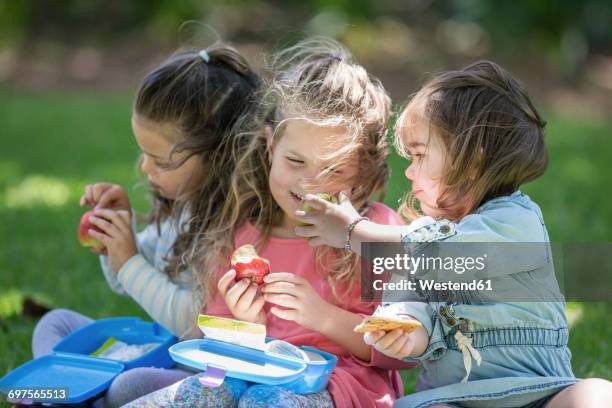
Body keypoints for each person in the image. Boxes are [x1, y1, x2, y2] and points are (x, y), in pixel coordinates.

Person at [294, 60, 612, 407]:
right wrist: (404, 332)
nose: (411, 172)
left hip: (538, 393)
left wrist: (352, 232)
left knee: (595, 394)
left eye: (419, 155)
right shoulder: (419, 237)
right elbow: (407, 307)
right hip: (453, 399)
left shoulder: (516, 222)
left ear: (471, 161)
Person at [126, 37, 413, 408]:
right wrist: (247, 321)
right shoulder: (245, 236)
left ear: (362, 172)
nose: (309, 183)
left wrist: (323, 317)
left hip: (339, 386)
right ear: (269, 147)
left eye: (334, 169)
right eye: (295, 162)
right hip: (244, 375)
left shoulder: (375, 233)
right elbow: (219, 346)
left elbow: (403, 353)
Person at [31, 43, 260, 407]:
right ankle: (63, 396)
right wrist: (118, 239)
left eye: (160, 160)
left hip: (204, 368)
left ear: (220, 158)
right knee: (55, 323)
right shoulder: (180, 208)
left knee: (129, 387)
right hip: (163, 347)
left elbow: (194, 323)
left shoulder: (235, 233)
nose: (144, 169)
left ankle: (63, 398)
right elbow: (129, 283)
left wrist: (129, 263)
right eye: (144, 155)